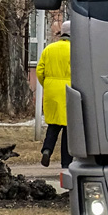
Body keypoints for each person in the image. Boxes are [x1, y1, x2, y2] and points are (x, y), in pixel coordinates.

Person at [37, 20, 72, 168]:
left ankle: (47, 150)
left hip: (51, 90)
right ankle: (66, 162)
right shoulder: (76, 49)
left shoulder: (49, 49)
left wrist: (47, 84)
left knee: (53, 125)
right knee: (68, 129)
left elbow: (40, 71)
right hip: (70, 90)